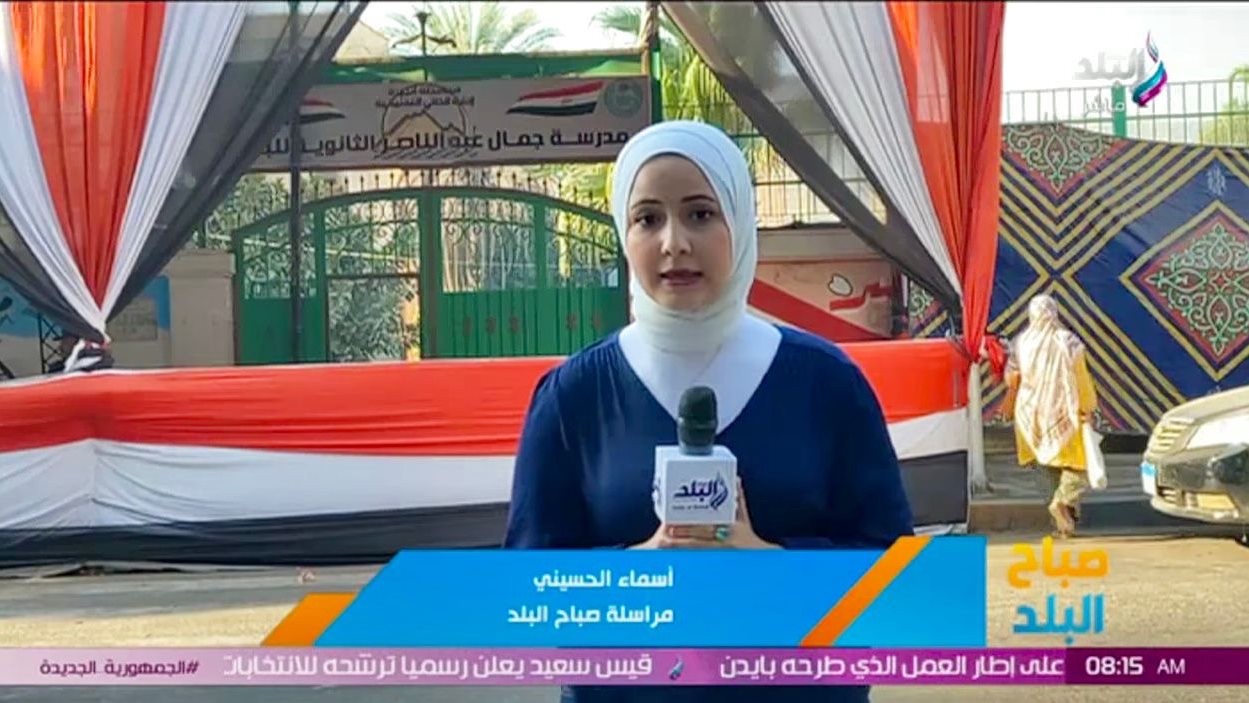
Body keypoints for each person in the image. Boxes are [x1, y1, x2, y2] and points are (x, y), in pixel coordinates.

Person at [503, 121, 914, 703]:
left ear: (739, 222)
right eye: (648, 219)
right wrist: (639, 568)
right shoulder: (573, 398)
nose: (674, 242)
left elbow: (895, 574)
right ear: (623, 233)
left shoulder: (827, 384)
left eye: (700, 214)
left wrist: (768, 561)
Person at [1003, 294, 1099, 538]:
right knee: (1080, 465)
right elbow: (1081, 378)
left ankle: (1063, 523)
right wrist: (1088, 407)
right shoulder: (1070, 343)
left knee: (1044, 468)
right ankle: (1063, 503)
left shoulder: (1020, 343)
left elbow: (1011, 378)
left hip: (1029, 416)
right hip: (1064, 412)